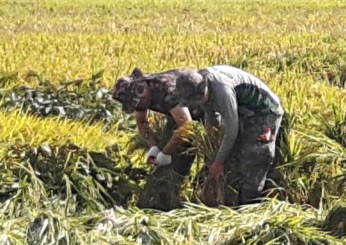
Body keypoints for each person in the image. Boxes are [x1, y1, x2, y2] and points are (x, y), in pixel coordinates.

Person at [171, 65, 284, 206]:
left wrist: (218, 161)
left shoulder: (222, 90)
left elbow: (232, 128)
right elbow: (212, 117)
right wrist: (212, 144)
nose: (199, 101)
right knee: (233, 155)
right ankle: (229, 200)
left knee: (254, 156)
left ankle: (249, 206)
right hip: (243, 111)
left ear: (204, 86)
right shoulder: (199, 86)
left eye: (200, 97)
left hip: (264, 111)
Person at [112, 67, 201, 211]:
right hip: (181, 116)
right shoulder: (142, 97)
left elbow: (187, 127)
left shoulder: (167, 90)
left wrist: (165, 153)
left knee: (210, 161)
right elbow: (142, 122)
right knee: (170, 166)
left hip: (207, 111)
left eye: (138, 103)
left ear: (143, 91)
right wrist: (153, 147)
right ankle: (165, 201)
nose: (139, 107)